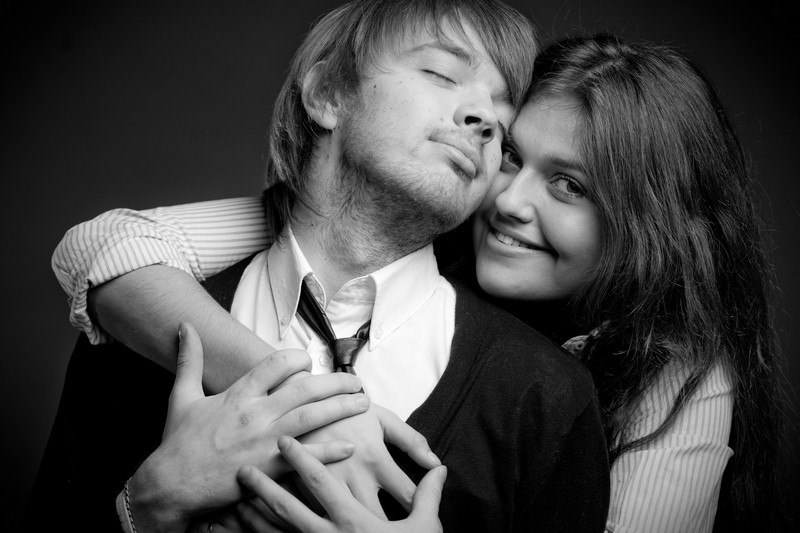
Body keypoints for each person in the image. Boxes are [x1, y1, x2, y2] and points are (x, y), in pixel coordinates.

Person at [53, 32, 791, 532]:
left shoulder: (675, 378)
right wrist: (311, 411)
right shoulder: (399, 223)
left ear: (653, 229)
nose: (509, 201)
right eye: (509, 154)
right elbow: (104, 247)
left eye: (569, 185)